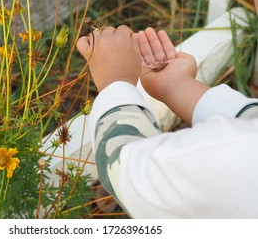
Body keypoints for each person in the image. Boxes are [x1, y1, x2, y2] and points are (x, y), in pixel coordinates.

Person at [76, 24, 258, 218]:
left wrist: (115, 82)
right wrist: (176, 85)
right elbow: (249, 123)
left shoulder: (229, 157)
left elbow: (129, 174)